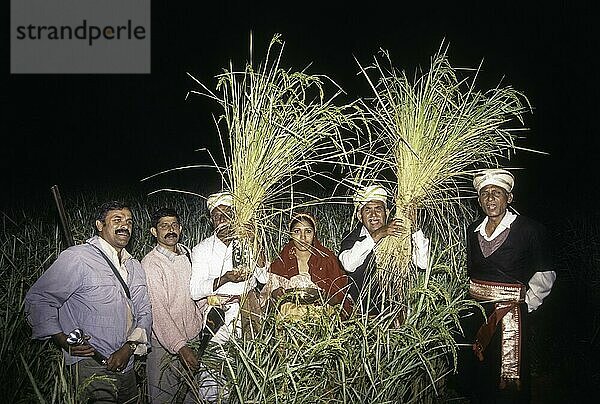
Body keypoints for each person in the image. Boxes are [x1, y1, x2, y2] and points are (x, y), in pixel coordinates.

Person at [24, 200, 152, 403]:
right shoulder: (78, 257)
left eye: (129, 221)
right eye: (116, 220)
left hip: (126, 363)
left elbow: (144, 311)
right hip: (90, 365)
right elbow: (39, 299)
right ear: (99, 226)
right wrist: (60, 338)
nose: (125, 225)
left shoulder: (134, 265)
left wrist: (129, 347)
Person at [458, 168, 556, 403]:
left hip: (511, 317)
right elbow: (472, 273)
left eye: (497, 192)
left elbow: (545, 275)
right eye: (485, 193)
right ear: (479, 200)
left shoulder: (530, 230)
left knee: (508, 380)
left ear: (509, 198)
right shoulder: (472, 231)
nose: (490, 198)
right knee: (481, 375)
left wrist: (523, 305)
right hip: (477, 314)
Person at [142, 208, 215, 403]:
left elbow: (196, 294)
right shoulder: (151, 264)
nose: (170, 230)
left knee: (190, 397)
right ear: (154, 232)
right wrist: (180, 346)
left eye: (174, 225)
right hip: (165, 346)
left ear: (181, 228)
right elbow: (158, 312)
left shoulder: (188, 255)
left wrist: (205, 314)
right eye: (164, 226)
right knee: (164, 397)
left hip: (191, 340)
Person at [190, 191, 268, 345]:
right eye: (216, 216)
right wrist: (225, 278)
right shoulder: (202, 249)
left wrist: (255, 241)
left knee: (248, 359)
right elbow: (195, 291)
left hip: (249, 310)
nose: (222, 219)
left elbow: (264, 277)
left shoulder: (246, 242)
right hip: (218, 315)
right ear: (211, 221)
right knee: (214, 365)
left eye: (227, 214)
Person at [338, 184, 429, 315]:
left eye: (378, 209)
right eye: (367, 210)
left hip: (394, 314)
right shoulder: (352, 237)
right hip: (360, 315)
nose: (374, 214)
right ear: (359, 215)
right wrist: (378, 234)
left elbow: (424, 263)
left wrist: (414, 228)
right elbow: (348, 264)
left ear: (386, 212)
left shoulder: (399, 235)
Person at [268, 212, 350, 319]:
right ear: (291, 235)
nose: (303, 237)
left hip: (320, 315)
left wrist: (327, 298)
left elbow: (339, 294)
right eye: (297, 231)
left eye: (308, 231)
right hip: (289, 315)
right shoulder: (284, 260)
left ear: (314, 234)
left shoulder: (326, 259)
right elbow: (270, 291)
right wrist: (277, 293)